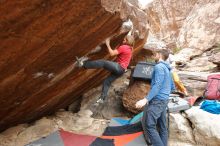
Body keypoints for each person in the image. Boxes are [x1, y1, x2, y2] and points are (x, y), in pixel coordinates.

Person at [76, 36, 134, 104]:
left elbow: (112, 53)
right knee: (107, 82)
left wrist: (107, 44)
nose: (123, 40)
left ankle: (83, 64)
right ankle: (102, 98)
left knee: (103, 62)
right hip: (122, 71)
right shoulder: (130, 49)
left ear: (128, 41)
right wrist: (108, 47)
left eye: (125, 39)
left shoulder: (124, 47)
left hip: (119, 67)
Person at [135, 49, 175, 146]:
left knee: (150, 125)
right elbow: (172, 87)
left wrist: (145, 99)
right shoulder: (168, 68)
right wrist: (164, 94)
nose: (154, 56)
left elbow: (157, 85)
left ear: (160, 55)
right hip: (164, 100)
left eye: (155, 54)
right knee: (162, 126)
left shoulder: (159, 67)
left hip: (157, 101)